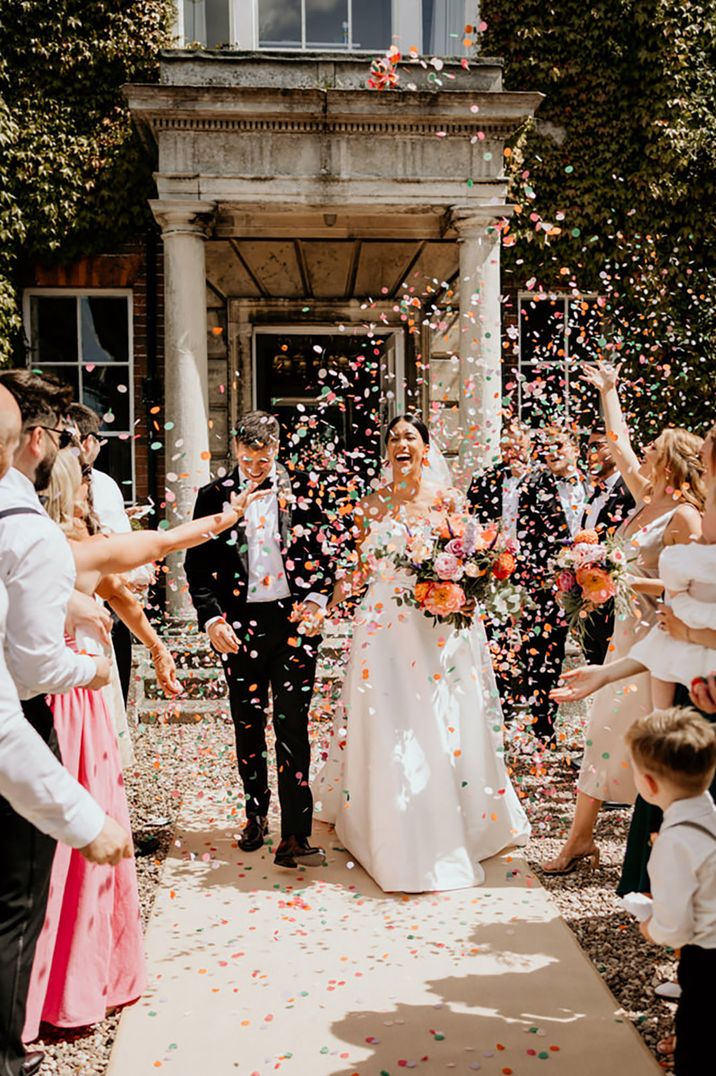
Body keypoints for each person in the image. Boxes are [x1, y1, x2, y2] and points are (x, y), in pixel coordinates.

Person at [312, 414, 530, 893]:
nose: (400, 443)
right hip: (383, 627)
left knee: (441, 718)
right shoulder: (370, 505)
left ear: (426, 449)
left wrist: (469, 588)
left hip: (434, 626)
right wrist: (323, 604)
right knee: (387, 716)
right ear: (386, 452)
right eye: (393, 438)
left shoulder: (447, 501)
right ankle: (382, 820)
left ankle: (455, 813)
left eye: (410, 436)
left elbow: (473, 560)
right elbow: (356, 568)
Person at [0, 376, 129, 1076]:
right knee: (17, 900)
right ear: (40, 443)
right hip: (27, 718)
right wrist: (93, 673)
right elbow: (30, 671)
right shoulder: (33, 536)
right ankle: (11, 1050)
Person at [544, 362, 705, 874]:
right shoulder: (645, 497)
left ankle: (611, 843)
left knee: (633, 735)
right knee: (609, 733)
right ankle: (593, 840)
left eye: (656, 444)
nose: (647, 449)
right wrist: (610, 391)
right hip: (623, 634)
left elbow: (692, 582)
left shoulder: (685, 515)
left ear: (674, 460)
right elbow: (618, 444)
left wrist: (623, 580)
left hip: (655, 638)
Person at [185, 411, 336, 869]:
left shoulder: (306, 490)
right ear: (235, 450)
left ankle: (296, 834)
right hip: (239, 625)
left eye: (264, 458)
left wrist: (315, 601)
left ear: (277, 448)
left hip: (293, 625)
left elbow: (328, 555)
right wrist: (212, 621)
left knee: (293, 725)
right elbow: (197, 569)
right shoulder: (212, 496)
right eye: (248, 458)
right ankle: (255, 815)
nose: (255, 466)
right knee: (247, 724)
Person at [625, 707, 716, 1074]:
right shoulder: (708, 814)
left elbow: (675, 927)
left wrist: (649, 926)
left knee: (699, 1042)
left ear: (647, 784)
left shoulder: (673, 843)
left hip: (708, 959)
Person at [467, 419, 538, 714]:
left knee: (532, 632)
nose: (512, 451)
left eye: (517, 445)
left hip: (533, 569)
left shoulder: (542, 479)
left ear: (530, 446)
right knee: (497, 630)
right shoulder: (486, 479)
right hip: (495, 567)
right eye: (506, 446)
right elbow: (470, 520)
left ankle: (533, 697)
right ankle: (503, 698)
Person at [523, 424, 589, 739]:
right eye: (546, 445)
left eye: (559, 444)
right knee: (544, 654)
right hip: (549, 586)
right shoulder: (532, 487)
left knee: (599, 652)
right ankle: (543, 730)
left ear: (575, 449)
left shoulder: (594, 486)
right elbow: (526, 539)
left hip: (597, 583)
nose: (552, 451)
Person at [580, 423, 635, 665]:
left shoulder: (629, 492)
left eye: (596, 446)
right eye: (587, 446)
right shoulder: (594, 495)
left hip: (617, 605)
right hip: (590, 603)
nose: (589, 453)